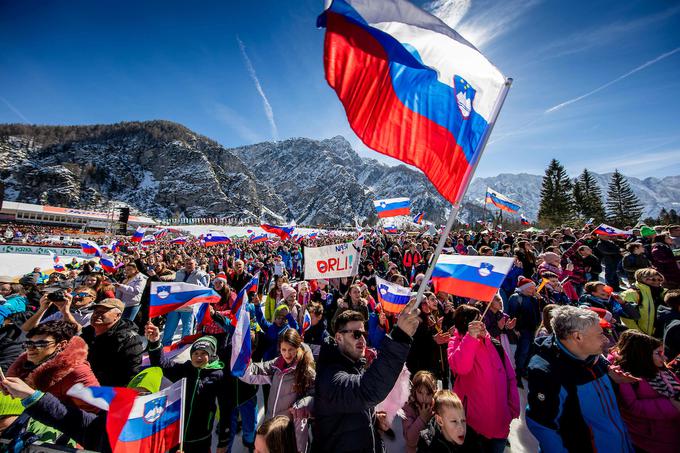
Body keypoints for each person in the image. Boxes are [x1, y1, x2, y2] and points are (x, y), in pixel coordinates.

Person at [311, 297, 420, 453]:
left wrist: (372, 419)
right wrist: (400, 336)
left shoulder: (355, 366)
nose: (362, 338)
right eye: (355, 334)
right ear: (339, 338)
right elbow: (365, 391)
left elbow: (349, 414)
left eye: (364, 334)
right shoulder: (330, 375)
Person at [526, 305, 634, 452]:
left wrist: (613, 380)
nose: (606, 340)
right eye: (600, 334)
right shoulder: (547, 373)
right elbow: (542, 425)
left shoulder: (594, 357)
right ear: (577, 336)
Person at [144, 323, 229, 453]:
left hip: (201, 437)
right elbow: (161, 364)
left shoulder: (218, 375)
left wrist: (223, 440)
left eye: (203, 353)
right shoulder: (185, 369)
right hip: (177, 435)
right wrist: (155, 342)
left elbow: (225, 410)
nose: (198, 357)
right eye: (195, 353)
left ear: (211, 355)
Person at [447, 305, 519, 452]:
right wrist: (470, 338)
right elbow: (461, 367)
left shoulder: (494, 343)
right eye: (476, 321)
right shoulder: (456, 342)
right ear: (464, 324)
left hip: (501, 423)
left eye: (481, 320)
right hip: (474, 426)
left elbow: (510, 377)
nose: (481, 324)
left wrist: (513, 408)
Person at [240, 329, 315, 452]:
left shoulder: (306, 370)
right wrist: (243, 358)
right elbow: (252, 372)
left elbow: (318, 396)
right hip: (270, 427)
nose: (287, 354)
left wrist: (304, 404)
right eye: (283, 350)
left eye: (291, 349)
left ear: (298, 347)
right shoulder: (277, 365)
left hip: (290, 432)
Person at [611, 330, 680, 453]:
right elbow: (631, 406)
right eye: (658, 353)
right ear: (642, 354)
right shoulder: (625, 376)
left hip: (672, 433)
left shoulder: (661, 369)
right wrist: (672, 405)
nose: (665, 357)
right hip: (650, 441)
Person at [7, 321, 99, 410]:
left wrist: (34, 397)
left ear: (61, 344)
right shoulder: (23, 367)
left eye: (41, 343)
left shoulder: (77, 372)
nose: (31, 348)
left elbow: (91, 413)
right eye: (29, 343)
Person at [80, 298, 144, 387]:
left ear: (117, 316)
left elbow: (131, 373)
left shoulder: (128, 339)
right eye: (96, 311)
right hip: (83, 383)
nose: (96, 315)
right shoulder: (87, 333)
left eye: (103, 311)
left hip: (106, 390)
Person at [162, 258, 208, 345]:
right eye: (187, 263)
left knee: (187, 330)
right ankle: (165, 346)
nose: (188, 265)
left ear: (195, 264)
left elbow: (204, 290)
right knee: (169, 328)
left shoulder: (201, 275)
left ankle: (183, 347)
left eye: (191, 263)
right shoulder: (179, 273)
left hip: (189, 307)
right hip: (176, 305)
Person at [506, 277, 541, 387]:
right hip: (522, 331)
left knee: (530, 352)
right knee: (522, 353)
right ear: (523, 288)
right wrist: (515, 330)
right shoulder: (516, 298)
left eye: (533, 288)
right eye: (530, 288)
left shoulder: (533, 299)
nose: (533, 290)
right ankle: (517, 375)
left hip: (532, 330)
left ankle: (524, 371)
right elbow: (511, 314)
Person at [621, 268, 666, 336]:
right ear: (641, 279)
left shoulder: (661, 291)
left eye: (659, 279)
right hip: (643, 335)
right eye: (653, 279)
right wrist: (639, 334)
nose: (657, 281)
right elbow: (627, 318)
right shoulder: (631, 294)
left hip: (660, 332)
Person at [402, 370, 436, 453]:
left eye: (428, 394)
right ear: (414, 391)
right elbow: (410, 441)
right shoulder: (409, 408)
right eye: (420, 392)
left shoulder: (435, 405)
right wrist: (422, 419)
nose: (424, 398)